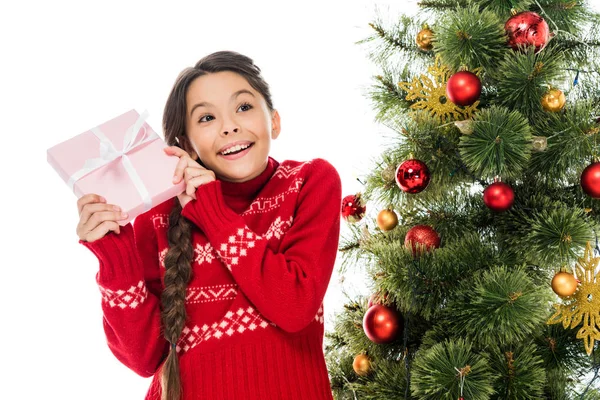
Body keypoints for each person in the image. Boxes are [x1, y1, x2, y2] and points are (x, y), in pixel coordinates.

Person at [76, 50, 342, 400]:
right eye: (206, 118)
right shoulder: (155, 218)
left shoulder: (309, 182)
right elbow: (144, 359)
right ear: (186, 144)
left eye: (244, 107)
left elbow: (294, 307)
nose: (229, 125)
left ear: (274, 121)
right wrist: (114, 256)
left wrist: (213, 214)